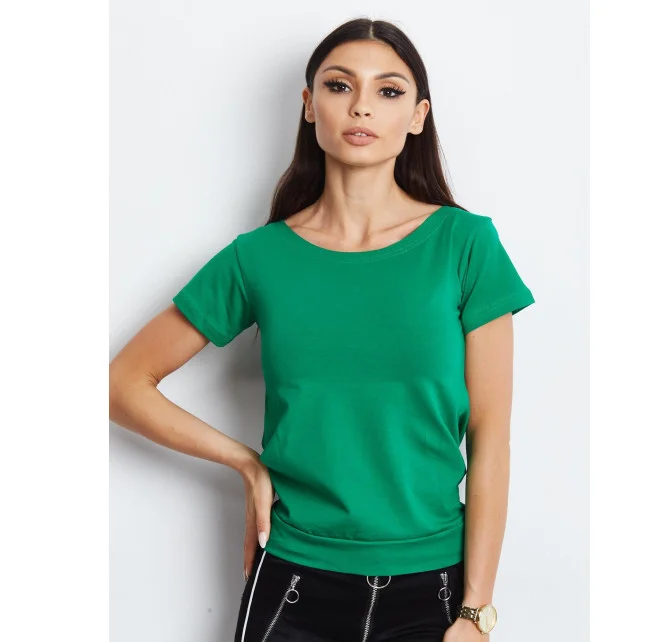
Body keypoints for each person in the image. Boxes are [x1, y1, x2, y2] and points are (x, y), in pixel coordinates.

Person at [109, 17, 535, 642]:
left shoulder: (465, 245)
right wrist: (245, 463)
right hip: (292, 582)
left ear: (418, 117)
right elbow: (121, 384)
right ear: (310, 106)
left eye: (388, 91)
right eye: (340, 86)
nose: (362, 106)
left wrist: (477, 610)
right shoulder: (259, 258)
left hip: (434, 589)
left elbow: (491, 436)